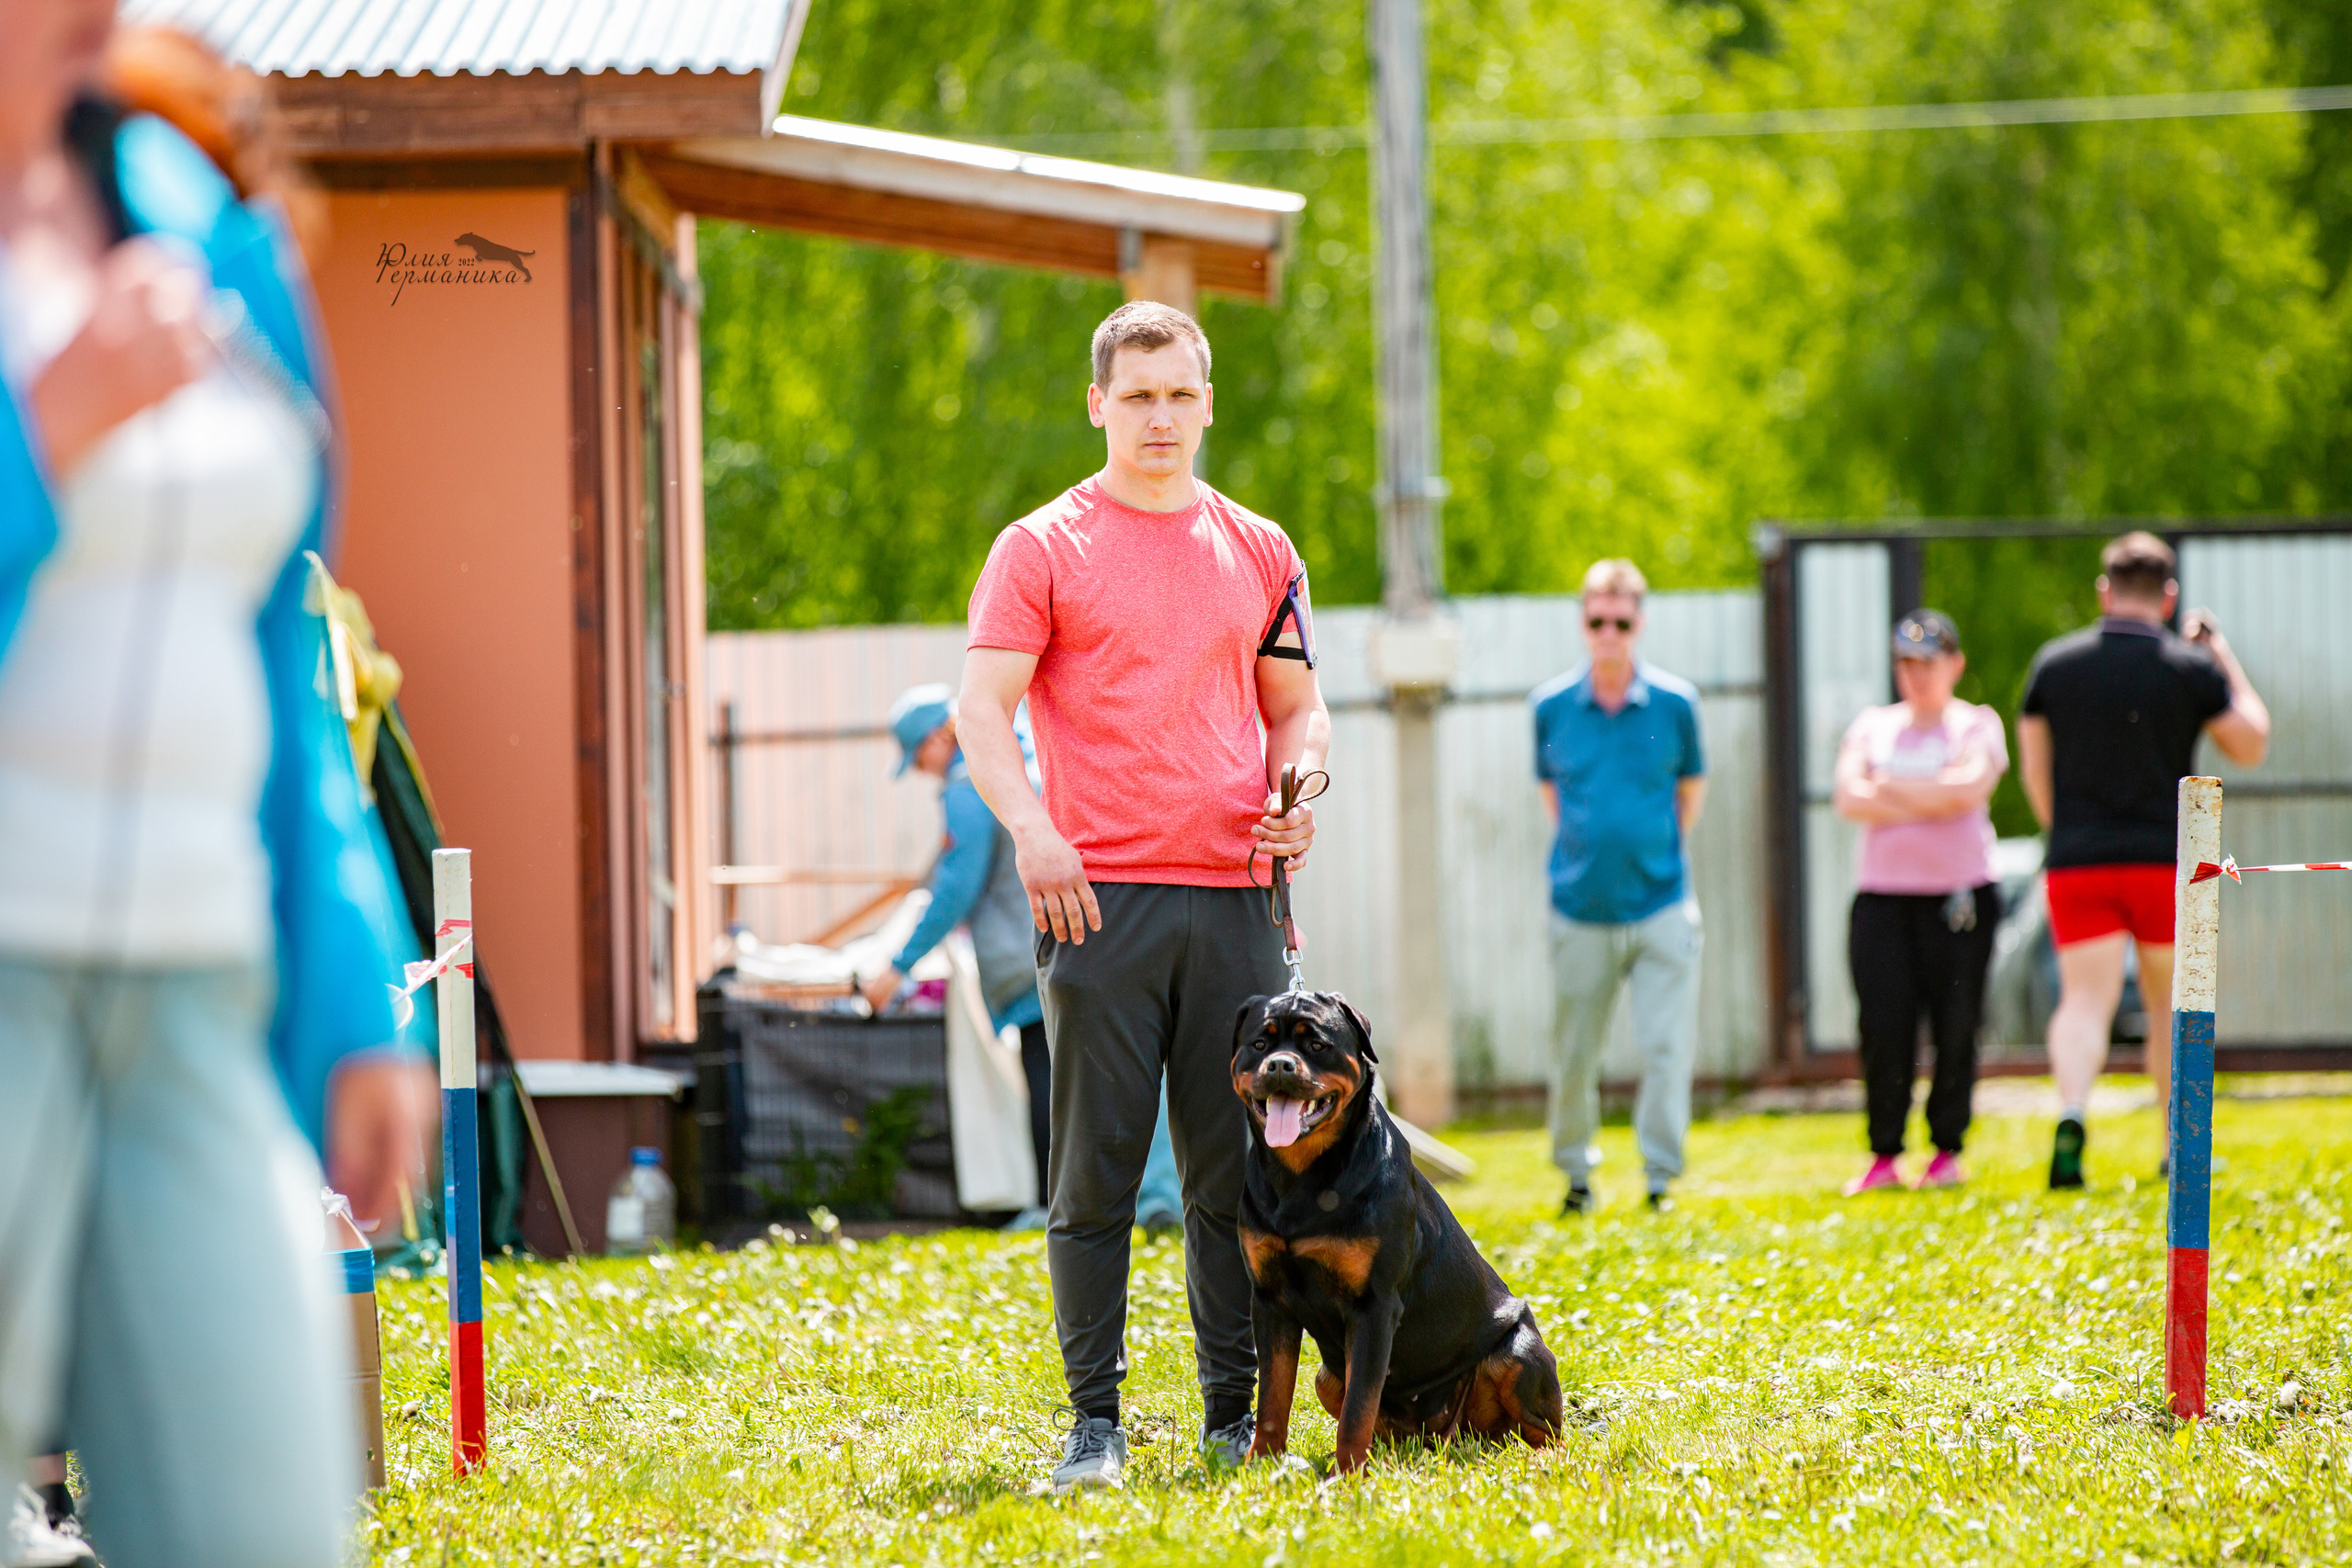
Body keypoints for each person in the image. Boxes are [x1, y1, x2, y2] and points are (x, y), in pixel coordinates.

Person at [0, 11, 426, 1567]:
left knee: (262, 1529)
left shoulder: (186, 195)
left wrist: (358, 995)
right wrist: (46, 431)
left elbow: (272, 639)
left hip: (195, 995)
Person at [956, 299, 1326, 1493]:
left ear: (1206, 404)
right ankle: (1094, 1429)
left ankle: (1232, 1420)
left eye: (1178, 394)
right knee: (1095, 1176)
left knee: (1236, 1176)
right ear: (1098, 404)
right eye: (1137, 394)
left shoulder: (1260, 546)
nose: (1159, 416)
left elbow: (1295, 709)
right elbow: (979, 710)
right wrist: (1034, 832)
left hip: (1238, 899)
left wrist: (1299, 788)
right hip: (1096, 901)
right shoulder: (1040, 547)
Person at [2018, 532, 2268, 1189]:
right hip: (2166, 864)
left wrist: (2065, 831)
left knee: (2083, 1000)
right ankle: (2173, 1148)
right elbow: (2251, 742)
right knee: (2168, 1007)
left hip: (2079, 861)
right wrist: (2219, 653)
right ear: (2168, 596)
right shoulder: (2188, 668)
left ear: (2105, 591)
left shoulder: (2053, 666)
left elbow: (2035, 769)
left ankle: (2073, 1111)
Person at [1532, 558, 1706, 1216]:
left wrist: (1648, 852)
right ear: (1583, 621)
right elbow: (1554, 798)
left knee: (1666, 1048)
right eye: (1598, 620)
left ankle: (1660, 1178)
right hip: (1579, 908)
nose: (1609, 633)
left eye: (1622, 622)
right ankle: (1576, 1177)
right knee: (1575, 1053)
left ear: (1640, 623)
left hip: (1663, 903)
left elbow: (1689, 794)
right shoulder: (1550, 708)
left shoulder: (1676, 705)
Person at [1832, 611, 2007, 1195]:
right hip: (1883, 900)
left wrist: (1888, 788)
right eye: (1905, 663)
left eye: (1927, 662)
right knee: (1884, 1025)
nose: (1915, 675)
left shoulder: (1977, 724)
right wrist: (1934, 796)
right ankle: (1884, 1153)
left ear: (1954, 665)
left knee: (1956, 1024)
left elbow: (1969, 789)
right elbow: (1848, 797)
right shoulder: (1872, 725)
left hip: (1960, 899)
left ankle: (1946, 1150)